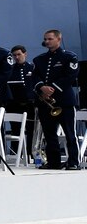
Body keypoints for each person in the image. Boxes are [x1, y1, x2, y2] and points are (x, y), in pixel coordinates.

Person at [33, 29, 80, 169]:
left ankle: (73, 162)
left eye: (50, 39)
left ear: (59, 39)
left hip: (64, 101)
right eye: (45, 39)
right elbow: (34, 77)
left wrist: (51, 88)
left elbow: (70, 76)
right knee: (49, 134)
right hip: (46, 103)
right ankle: (53, 162)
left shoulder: (69, 57)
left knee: (70, 133)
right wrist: (41, 87)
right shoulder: (39, 59)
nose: (47, 41)